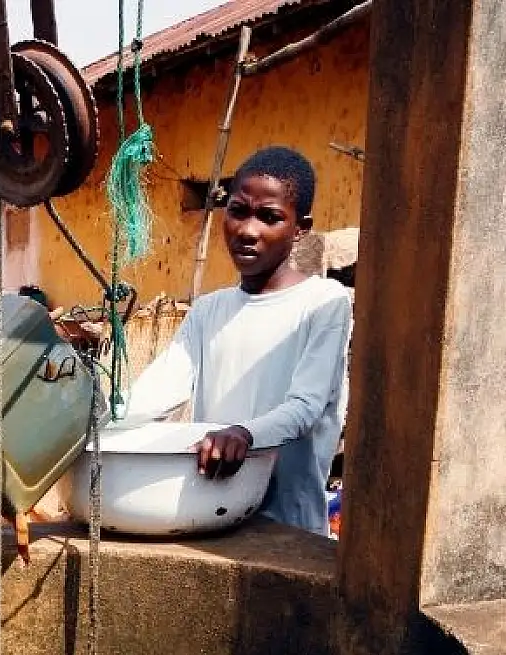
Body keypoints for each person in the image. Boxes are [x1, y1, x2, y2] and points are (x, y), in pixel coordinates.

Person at [121, 146, 352, 536]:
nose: (248, 230)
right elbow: (158, 391)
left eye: (270, 217)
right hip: (214, 517)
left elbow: (304, 408)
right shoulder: (209, 310)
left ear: (300, 229)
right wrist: (101, 421)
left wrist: (243, 434)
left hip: (287, 528)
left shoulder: (323, 303)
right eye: (238, 210)